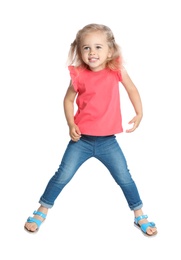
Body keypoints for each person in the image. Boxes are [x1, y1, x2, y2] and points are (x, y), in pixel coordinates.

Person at [24, 23, 157, 237]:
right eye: (86, 48)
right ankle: (42, 210)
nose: (92, 52)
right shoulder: (79, 75)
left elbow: (132, 89)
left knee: (125, 178)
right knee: (62, 176)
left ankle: (139, 214)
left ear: (110, 51)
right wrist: (71, 124)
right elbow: (68, 100)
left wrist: (139, 113)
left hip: (108, 142)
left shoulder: (116, 70)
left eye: (98, 47)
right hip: (81, 141)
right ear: (79, 51)